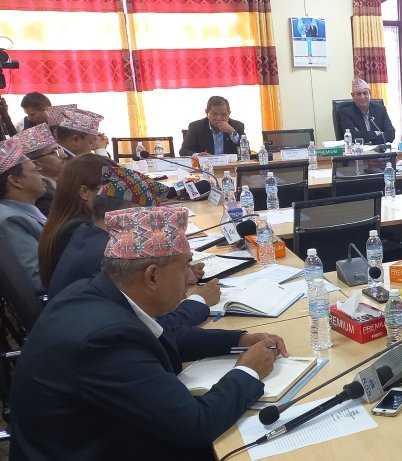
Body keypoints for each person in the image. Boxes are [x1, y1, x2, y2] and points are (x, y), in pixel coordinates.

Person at [10, 206, 288, 460]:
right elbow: (196, 425)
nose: (191, 278)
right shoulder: (104, 339)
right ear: (152, 276)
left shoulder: (93, 291)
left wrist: (238, 339)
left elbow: (165, 335)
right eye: (185, 267)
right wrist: (248, 371)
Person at [48, 166, 218, 333]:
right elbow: (155, 330)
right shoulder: (109, 255)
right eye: (151, 217)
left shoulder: (88, 234)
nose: (155, 226)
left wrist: (174, 271)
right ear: (129, 215)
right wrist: (199, 300)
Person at [37, 153, 117, 289]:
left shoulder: (69, 223)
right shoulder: (79, 231)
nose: (118, 197)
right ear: (84, 192)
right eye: (111, 190)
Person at [0, 140, 48, 294]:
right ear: (15, 181)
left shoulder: (20, 210)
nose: (43, 177)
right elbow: (39, 280)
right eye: (35, 171)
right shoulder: (9, 220)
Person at [11, 123, 67, 215]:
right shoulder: (42, 195)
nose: (64, 155)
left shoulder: (60, 183)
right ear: (36, 164)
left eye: (60, 149)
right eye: (55, 151)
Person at [180, 96, 246, 156]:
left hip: (230, 164)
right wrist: (198, 155)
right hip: (205, 164)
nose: (219, 118)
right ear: (206, 112)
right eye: (214, 114)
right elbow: (183, 151)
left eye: (223, 114)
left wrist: (232, 132)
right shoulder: (196, 127)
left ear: (229, 113)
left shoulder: (237, 126)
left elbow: (246, 152)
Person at [338, 78, 396, 145]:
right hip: (357, 150)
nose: (362, 97)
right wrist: (375, 133)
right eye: (359, 94)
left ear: (370, 94)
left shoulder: (380, 110)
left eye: (365, 93)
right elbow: (352, 136)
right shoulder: (346, 112)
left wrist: (371, 141)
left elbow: (391, 134)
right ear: (353, 96)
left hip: (379, 150)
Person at [46, 104, 110, 158]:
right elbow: (104, 169)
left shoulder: (54, 156)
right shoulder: (66, 161)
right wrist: (101, 150)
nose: (92, 148)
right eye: (90, 142)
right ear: (75, 140)